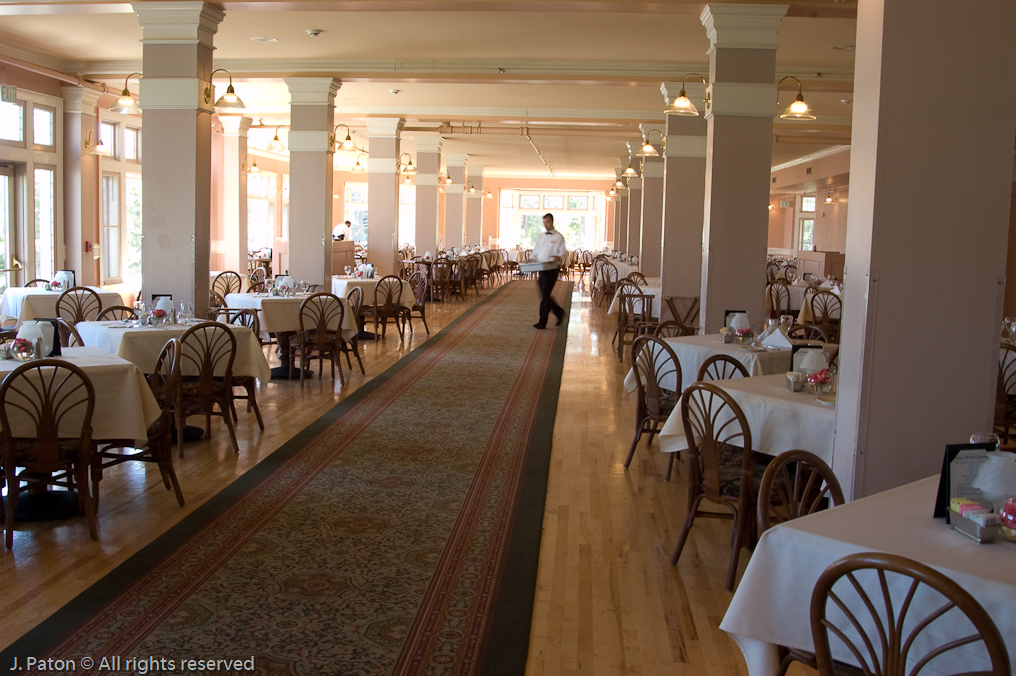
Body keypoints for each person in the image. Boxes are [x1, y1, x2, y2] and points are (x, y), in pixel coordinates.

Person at [531, 213, 567, 329]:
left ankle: (543, 321)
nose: (546, 225)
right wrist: (530, 260)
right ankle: (559, 312)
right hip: (541, 269)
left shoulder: (558, 237)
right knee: (544, 295)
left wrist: (558, 257)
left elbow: (564, 253)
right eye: (544, 223)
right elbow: (536, 252)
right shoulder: (540, 236)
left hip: (552, 269)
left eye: (547, 222)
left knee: (545, 295)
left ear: (552, 222)